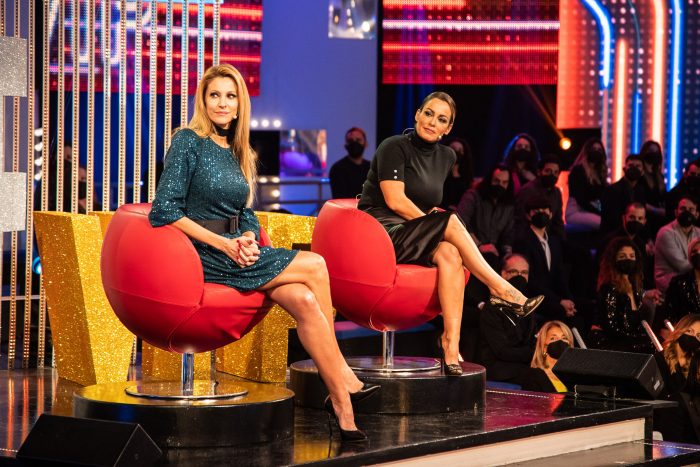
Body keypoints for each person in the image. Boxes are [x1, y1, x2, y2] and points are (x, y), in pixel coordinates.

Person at [148, 64, 376, 441]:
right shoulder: (188, 141)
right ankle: (343, 374)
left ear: (241, 104)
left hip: (236, 251)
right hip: (203, 254)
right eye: (215, 95)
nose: (223, 103)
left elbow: (246, 212)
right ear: (203, 100)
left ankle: (341, 404)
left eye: (230, 96)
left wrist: (248, 237)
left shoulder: (238, 149)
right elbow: (164, 210)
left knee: (304, 299)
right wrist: (223, 243)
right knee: (316, 265)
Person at [358, 91, 543, 376]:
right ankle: (500, 288)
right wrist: (435, 224)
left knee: (450, 253)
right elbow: (395, 201)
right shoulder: (393, 146)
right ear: (417, 114)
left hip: (412, 232)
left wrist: (433, 222)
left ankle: (450, 345)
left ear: (448, 128)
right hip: (380, 232)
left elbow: (424, 199)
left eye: (442, 119)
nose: (433, 122)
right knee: (450, 221)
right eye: (428, 113)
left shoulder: (447, 156)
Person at [512, 195, 578, 325]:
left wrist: (568, 299)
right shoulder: (522, 241)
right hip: (533, 297)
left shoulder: (554, 242)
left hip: (552, 297)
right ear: (528, 216)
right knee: (560, 311)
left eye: (544, 211)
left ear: (551, 214)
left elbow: (559, 275)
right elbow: (530, 281)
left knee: (583, 307)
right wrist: (560, 301)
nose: (541, 214)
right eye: (536, 211)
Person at [478, 254, 537, 385]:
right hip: (499, 368)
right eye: (514, 272)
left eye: (524, 273)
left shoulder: (528, 305)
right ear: (503, 274)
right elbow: (501, 351)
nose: (520, 277)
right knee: (536, 376)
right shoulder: (493, 307)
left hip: (523, 364)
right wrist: (533, 354)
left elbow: (532, 339)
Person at [595, 237, 662, 353]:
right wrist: (638, 339)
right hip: (615, 346)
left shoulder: (635, 287)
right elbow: (611, 328)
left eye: (632, 256)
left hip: (631, 343)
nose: (628, 260)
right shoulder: (609, 288)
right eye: (622, 256)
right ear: (613, 260)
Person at [654, 314, 700, 444]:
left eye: (698, 335)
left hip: (692, 420)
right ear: (680, 330)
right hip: (669, 420)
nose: (693, 337)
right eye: (689, 331)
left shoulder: (696, 363)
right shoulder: (660, 359)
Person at [456, 163, 515, 262]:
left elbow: (508, 234)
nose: (500, 185)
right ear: (489, 180)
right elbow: (460, 221)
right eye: (496, 181)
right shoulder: (473, 196)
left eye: (504, 182)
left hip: (494, 255)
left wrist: (507, 253)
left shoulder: (508, 205)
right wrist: (479, 245)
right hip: (469, 250)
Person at [598, 202, 656, 289]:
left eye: (640, 218)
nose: (636, 221)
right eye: (632, 217)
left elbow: (642, 272)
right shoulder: (610, 241)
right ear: (624, 218)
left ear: (644, 222)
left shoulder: (640, 244)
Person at [655, 196, 700, 293]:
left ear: (697, 214)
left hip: (692, 283)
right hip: (669, 287)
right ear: (676, 212)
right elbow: (682, 266)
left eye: (691, 209)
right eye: (683, 209)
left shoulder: (698, 232)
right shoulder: (665, 233)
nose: (687, 212)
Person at [515, 153, 565, 238]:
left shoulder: (556, 192)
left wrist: (562, 241)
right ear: (539, 172)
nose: (552, 175)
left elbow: (558, 222)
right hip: (528, 238)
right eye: (548, 171)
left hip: (547, 238)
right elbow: (519, 220)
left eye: (556, 172)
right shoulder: (527, 191)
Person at [565, 138, 608, 233]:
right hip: (576, 211)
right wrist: (600, 212)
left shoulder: (600, 174)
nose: (596, 152)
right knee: (604, 224)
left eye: (599, 150)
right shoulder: (578, 171)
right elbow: (581, 199)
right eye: (594, 149)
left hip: (591, 210)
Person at [521, 320, 574, 393]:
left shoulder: (573, 376)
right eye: (553, 338)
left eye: (564, 338)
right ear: (543, 347)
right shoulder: (533, 375)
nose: (560, 341)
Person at [600, 155, 648, 234]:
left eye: (638, 166)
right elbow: (610, 220)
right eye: (631, 165)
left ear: (643, 172)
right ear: (624, 169)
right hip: (615, 235)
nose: (634, 168)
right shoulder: (612, 190)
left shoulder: (641, 191)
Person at [662, 239, 700, 324]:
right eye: (694, 251)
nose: (698, 254)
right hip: (686, 329)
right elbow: (669, 313)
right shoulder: (678, 282)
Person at [329, 127, 371, 199]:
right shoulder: (337, 169)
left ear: (365, 144)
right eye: (350, 140)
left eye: (358, 140)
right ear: (346, 145)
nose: (354, 143)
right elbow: (340, 199)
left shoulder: (372, 168)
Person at [639, 140, 666, 230]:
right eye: (651, 151)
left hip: (659, 220)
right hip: (645, 219)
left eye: (656, 152)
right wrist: (656, 210)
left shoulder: (659, 176)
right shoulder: (640, 175)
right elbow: (639, 199)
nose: (654, 154)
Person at [440, 137, 474, 210]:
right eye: (453, 148)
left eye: (460, 150)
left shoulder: (466, 179)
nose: (456, 152)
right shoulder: (438, 173)